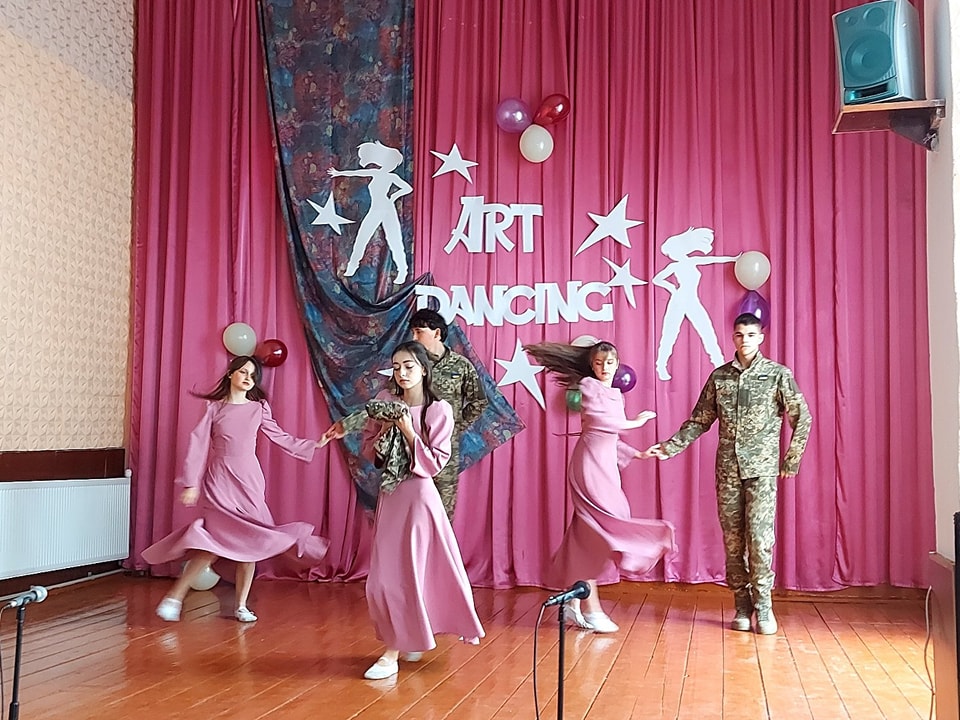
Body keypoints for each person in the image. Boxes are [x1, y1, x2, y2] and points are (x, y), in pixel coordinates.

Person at [321, 341, 484, 680]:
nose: (402, 373)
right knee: (384, 577)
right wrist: (380, 433)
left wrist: (408, 430)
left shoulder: (438, 410)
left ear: (423, 369)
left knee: (407, 575)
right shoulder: (385, 401)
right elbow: (370, 449)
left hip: (419, 499)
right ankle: (411, 636)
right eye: (396, 367)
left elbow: (435, 463)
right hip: (391, 495)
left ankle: (391, 652)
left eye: (409, 366)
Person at [644, 313, 812, 635]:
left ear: (760, 338)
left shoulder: (777, 375)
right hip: (728, 472)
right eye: (739, 335)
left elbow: (802, 417)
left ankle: (764, 606)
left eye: (750, 335)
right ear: (733, 338)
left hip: (761, 471)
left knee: (759, 540)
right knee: (733, 542)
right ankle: (742, 605)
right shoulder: (719, 377)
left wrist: (791, 460)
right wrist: (670, 447)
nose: (744, 340)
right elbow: (700, 420)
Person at [143, 355, 330, 623]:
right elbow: (198, 445)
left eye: (252, 375)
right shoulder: (214, 408)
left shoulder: (258, 408)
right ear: (231, 373)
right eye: (243, 372)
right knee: (210, 543)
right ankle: (174, 598)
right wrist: (191, 483)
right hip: (220, 480)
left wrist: (314, 444)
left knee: (251, 543)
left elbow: (280, 436)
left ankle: (241, 605)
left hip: (249, 480)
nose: (247, 378)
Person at [524, 340, 676, 633]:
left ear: (617, 365)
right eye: (598, 363)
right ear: (591, 366)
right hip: (589, 466)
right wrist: (635, 423)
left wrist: (638, 454)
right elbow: (601, 423)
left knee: (586, 533)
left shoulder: (616, 394)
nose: (604, 368)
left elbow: (612, 439)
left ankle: (572, 600)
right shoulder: (588, 386)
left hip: (607, 467)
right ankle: (591, 607)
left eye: (609, 363)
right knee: (599, 530)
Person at [408, 308, 488, 520]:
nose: (413, 338)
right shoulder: (411, 365)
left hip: (445, 453)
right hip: (413, 447)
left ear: (437, 333)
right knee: (413, 513)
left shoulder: (461, 366)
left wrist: (455, 427)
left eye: (419, 332)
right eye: (412, 332)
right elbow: (390, 399)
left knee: (442, 515)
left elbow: (479, 401)